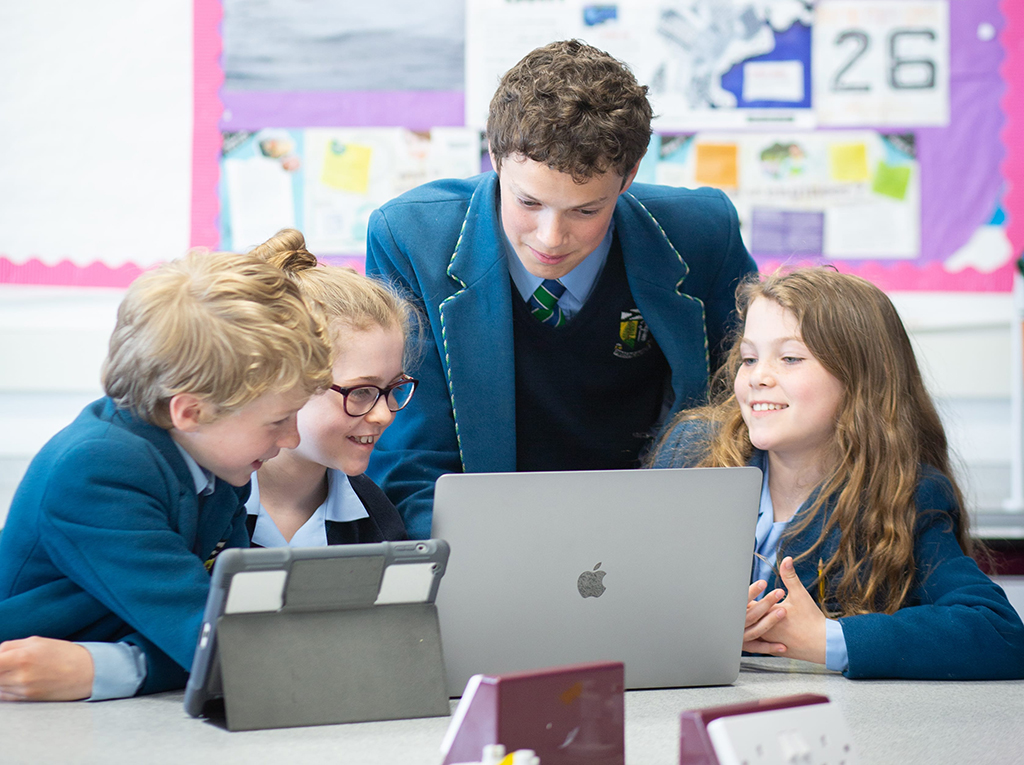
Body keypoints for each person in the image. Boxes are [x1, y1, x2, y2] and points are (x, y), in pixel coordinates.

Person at [365, 40, 757, 538]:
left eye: (586, 211)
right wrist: (471, 568)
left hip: (661, 532)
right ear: (494, 158)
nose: (551, 238)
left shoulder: (703, 233)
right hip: (487, 539)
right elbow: (410, 455)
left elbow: (743, 414)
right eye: (528, 202)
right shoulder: (409, 238)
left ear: (629, 177)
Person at [649, 268, 1024, 679]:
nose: (758, 376)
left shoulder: (906, 492)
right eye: (749, 358)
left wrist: (825, 639)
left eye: (790, 358)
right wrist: (700, 628)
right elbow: (625, 585)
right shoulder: (694, 450)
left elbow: (1001, 634)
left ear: (859, 379)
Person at [0, 250, 333, 701]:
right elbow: (228, 647)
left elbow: (234, 627)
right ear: (191, 411)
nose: (292, 438)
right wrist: (134, 665)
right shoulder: (96, 469)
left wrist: (110, 666)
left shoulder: (216, 461)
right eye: (277, 421)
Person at [245, 229, 413, 545]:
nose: (384, 415)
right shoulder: (203, 507)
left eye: (394, 388)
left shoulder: (378, 521)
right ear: (283, 381)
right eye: (361, 391)